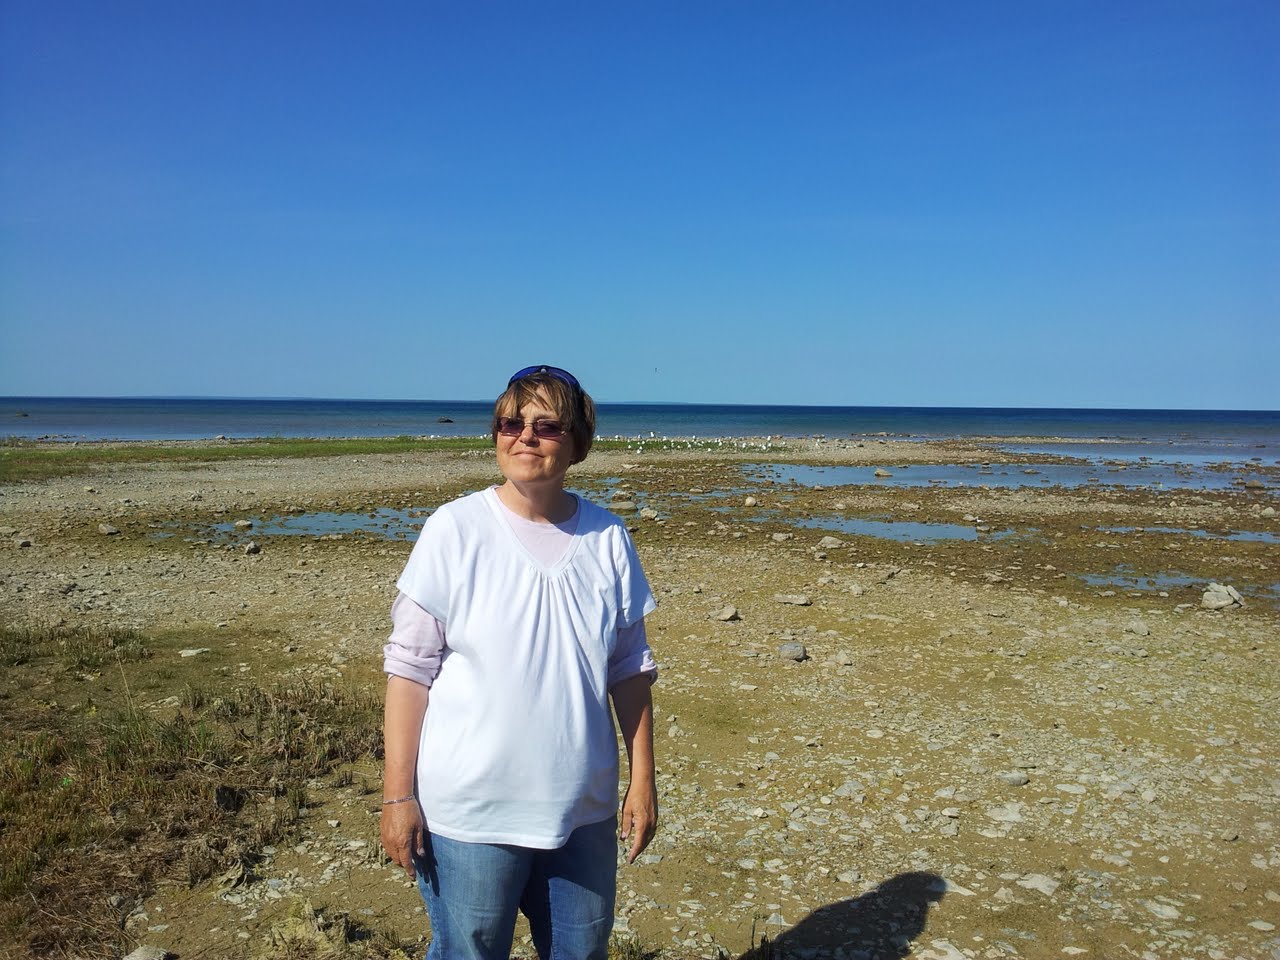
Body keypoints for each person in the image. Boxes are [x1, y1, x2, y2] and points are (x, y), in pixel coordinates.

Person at [380, 364, 658, 960]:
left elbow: (630, 670)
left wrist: (644, 782)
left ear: (578, 443)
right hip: (470, 814)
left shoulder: (608, 538)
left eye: (546, 425)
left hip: (582, 809)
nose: (525, 436)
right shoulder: (454, 530)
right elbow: (409, 672)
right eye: (511, 423)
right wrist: (398, 797)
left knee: (582, 950)